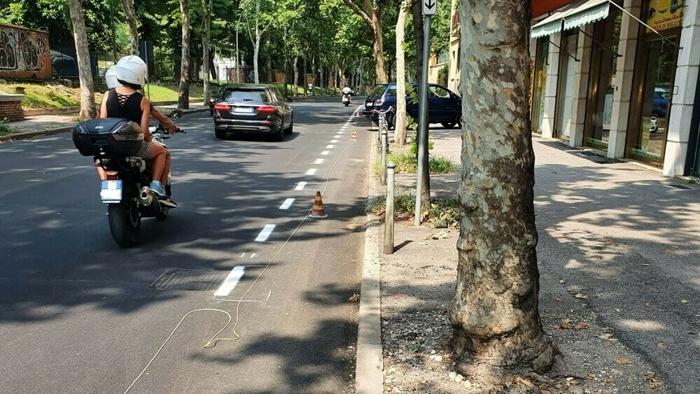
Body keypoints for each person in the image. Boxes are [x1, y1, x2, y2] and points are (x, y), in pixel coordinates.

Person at [99, 56, 171, 197]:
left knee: (99, 159)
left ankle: (106, 184)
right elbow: (144, 131)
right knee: (162, 152)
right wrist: (149, 140)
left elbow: (102, 122)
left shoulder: (107, 95)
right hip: (134, 146)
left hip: (112, 146)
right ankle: (156, 184)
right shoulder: (142, 100)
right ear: (139, 76)